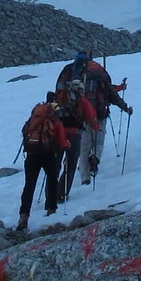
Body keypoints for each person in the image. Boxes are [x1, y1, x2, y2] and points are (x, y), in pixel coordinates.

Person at [57, 51, 131, 188]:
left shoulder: (75, 74)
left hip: (82, 116)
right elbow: (112, 94)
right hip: (100, 114)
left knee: (84, 147)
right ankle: (95, 159)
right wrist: (125, 108)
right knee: (98, 142)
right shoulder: (101, 74)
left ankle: (84, 177)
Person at [16, 91, 68, 233]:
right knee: (52, 180)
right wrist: (66, 145)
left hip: (31, 154)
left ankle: (23, 216)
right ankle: (51, 210)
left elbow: (24, 131)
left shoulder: (35, 117)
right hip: (48, 154)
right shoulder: (54, 119)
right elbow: (62, 142)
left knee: (29, 185)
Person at [51, 73, 98, 209]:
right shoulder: (82, 101)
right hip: (74, 135)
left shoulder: (60, 98)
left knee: (55, 165)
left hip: (57, 135)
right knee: (70, 165)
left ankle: (50, 195)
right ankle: (61, 194)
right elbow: (94, 123)